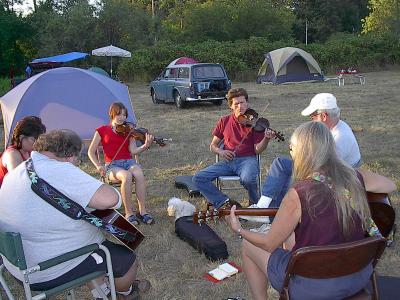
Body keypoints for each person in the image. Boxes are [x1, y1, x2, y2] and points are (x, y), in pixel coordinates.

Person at [227, 121, 397, 300]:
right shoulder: (355, 177)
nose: (291, 153)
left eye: (292, 148)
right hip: (358, 276)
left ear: (302, 152)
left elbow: (269, 243)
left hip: (313, 287)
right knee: (290, 236)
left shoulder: (297, 194)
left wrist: (239, 230)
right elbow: (390, 185)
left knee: (248, 245)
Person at [0, 130, 150, 299]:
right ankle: (124, 292)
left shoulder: (17, 171)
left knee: (88, 246)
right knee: (127, 261)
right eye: (77, 160)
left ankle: (102, 293)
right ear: (70, 156)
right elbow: (111, 199)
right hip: (46, 269)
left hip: (18, 264)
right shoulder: (56, 169)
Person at [249, 93, 362, 213]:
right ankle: (265, 209)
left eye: (313, 117)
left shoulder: (339, 138)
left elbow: (319, 170)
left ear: (324, 116)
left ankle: (266, 211)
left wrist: (297, 155)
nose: (312, 121)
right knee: (283, 166)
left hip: (336, 181)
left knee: (286, 173)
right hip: (330, 174)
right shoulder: (336, 128)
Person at [192, 88, 275, 209]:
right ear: (231, 106)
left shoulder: (255, 123)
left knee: (248, 179)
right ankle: (224, 202)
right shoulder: (224, 121)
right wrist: (221, 151)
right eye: (236, 104)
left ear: (247, 103)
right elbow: (213, 145)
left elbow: (257, 150)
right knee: (198, 178)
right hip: (228, 162)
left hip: (248, 160)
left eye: (242, 102)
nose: (240, 106)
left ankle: (255, 203)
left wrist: (266, 139)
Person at [88, 102, 155, 225]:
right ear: (112, 114)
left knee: (139, 173)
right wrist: (98, 166)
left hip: (128, 162)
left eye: (124, 115)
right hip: (112, 166)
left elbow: (133, 151)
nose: (122, 118)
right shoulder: (102, 130)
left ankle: (142, 211)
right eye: (119, 114)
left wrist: (145, 145)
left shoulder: (128, 131)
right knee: (126, 176)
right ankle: (129, 213)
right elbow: (90, 152)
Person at [0, 116, 46, 187]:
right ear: (21, 137)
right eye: (33, 140)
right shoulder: (12, 154)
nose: (37, 144)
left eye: (39, 141)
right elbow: (18, 181)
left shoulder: (29, 152)